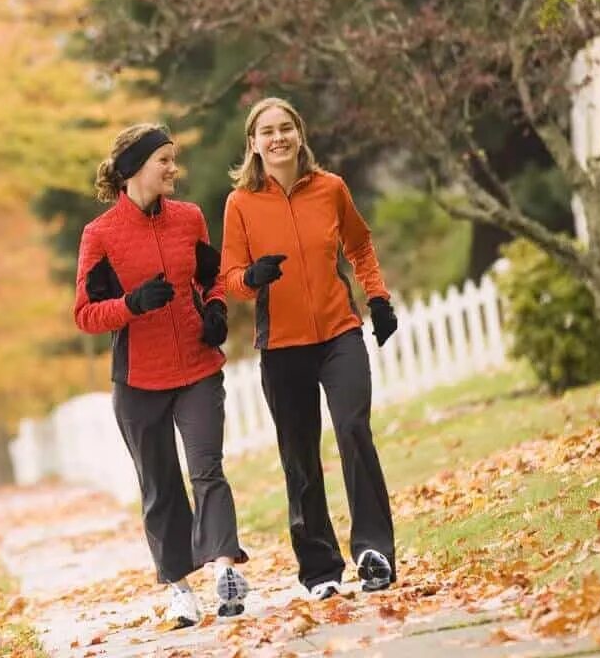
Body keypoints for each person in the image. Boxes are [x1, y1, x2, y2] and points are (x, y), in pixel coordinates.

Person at [220, 97, 399, 600]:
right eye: (266, 132)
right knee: (299, 456)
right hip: (282, 346)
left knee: (353, 429)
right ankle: (320, 570)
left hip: (340, 333)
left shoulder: (330, 189)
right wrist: (252, 279)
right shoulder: (241, 204)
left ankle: (374, 551)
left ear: (299, 134)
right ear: (253, 144)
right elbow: (230, 276)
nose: (277, 138)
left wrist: (378, 298)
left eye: (285, 129)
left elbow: (360, 246)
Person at [74, 123, 250, 627]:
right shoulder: (100, 236)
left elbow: (212, 278)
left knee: (207, 469)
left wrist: (215, 310)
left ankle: (224, 571)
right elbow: (85, 313)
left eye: (174, 159)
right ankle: (179, 590)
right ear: (134, 170)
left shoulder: (189, 219)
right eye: (165, 161)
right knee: (160, 486)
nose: (175, 169)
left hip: (196, 367)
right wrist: (130, 305)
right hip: (137, 381)